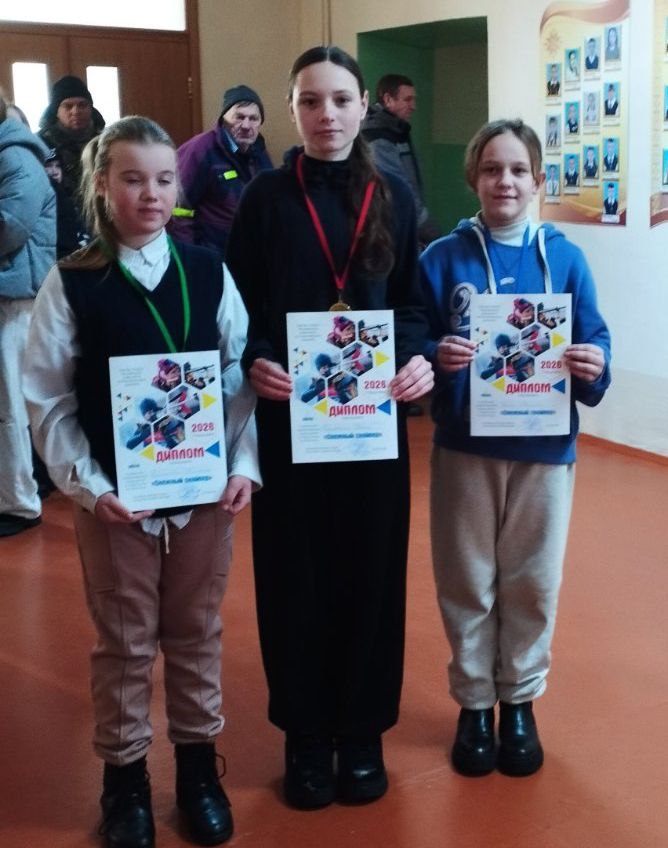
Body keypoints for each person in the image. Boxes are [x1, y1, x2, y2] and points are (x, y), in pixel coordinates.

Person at [23, 116, 260, 848]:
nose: (150, 194)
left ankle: (197, 770)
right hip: (115, 501)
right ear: (103, 185)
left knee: (196, 631)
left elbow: (238, 374)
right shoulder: (73, 281)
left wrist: (241, 465)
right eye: (132, 179)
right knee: (125, 641)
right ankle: (124, 778)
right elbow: (47, 398)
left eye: (162, 179)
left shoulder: (208, 271)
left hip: (201, 497)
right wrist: (89, 486)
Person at [226, 45, 433, 811]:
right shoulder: (265, 200)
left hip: (371, 427)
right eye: (310, 101)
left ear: (361, 106)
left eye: (341, 99)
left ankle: (364, 730)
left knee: (371, 575)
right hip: (291, 426)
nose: (326, 114)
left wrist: (415, 361)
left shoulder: (394, 197)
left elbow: (413, 306)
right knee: (296, 579)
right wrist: (255, 357)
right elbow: (239, 308)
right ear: (291, 109)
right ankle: (307, 735)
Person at [419, 118, 610, 778]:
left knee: (533, 580)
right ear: (473, 177)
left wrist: (593, 364)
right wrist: (435, 355)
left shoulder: (566, 258)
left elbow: (595, 338)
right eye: (492, 168)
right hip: (466, 447)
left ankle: (520, 700)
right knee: (466, 579)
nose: (505, 180)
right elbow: (414, 340)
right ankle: (475, 703)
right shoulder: (441, 259)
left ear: (538, 181)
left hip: (544, 451)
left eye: (519, 170)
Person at [0, 94, 56, 537]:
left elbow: (9, 228)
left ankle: (20, 503)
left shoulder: (16, 157)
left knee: (10, 405)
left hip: (14, 297)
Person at [171, 85, 273, 255]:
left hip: (251, 257)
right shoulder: (200, 150)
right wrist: (192, 257)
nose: (246, 125)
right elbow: (179, 210)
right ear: (223, 119)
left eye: (253, 118)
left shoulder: (260, 154)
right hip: (213, 257)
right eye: (239, 117)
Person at [362, 73, 442, 248]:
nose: (413, 106)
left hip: (402, 224)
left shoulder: (397, 130)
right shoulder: (379, 136)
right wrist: (433, 234)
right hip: (390, 229)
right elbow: (398, 190)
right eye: (407, 100)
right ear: (388, 100)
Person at [38, 75, 105, 216]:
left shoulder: (106, 142)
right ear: (56, 111)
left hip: (102, 215)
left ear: (90, 108)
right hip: (58, 217)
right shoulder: (40, 145)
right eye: (68, 106)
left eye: (82, 105)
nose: (75, 111)